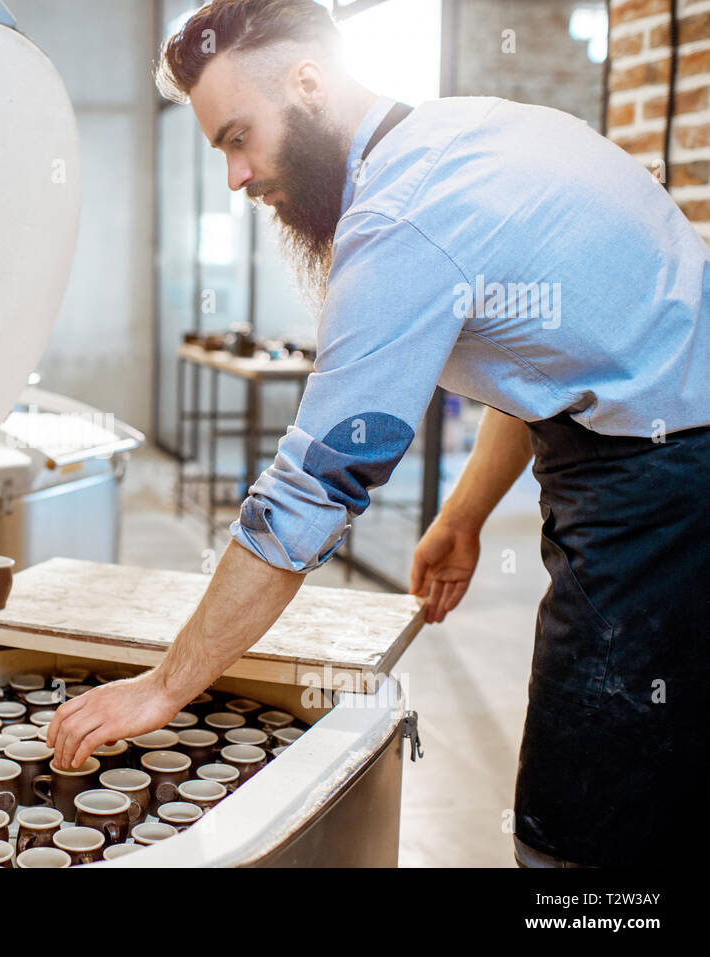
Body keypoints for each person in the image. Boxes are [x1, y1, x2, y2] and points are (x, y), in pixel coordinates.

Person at [45, 0, 710, 867]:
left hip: (664, 489)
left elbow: (310, 490)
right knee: (664, 784)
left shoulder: (402, 217)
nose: (237, 180)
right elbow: (548, 363)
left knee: (585, 821)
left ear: (308, 83)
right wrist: (466, 515)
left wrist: (164, 688)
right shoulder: (465, 134)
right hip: (648, 443)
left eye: (239, 138)